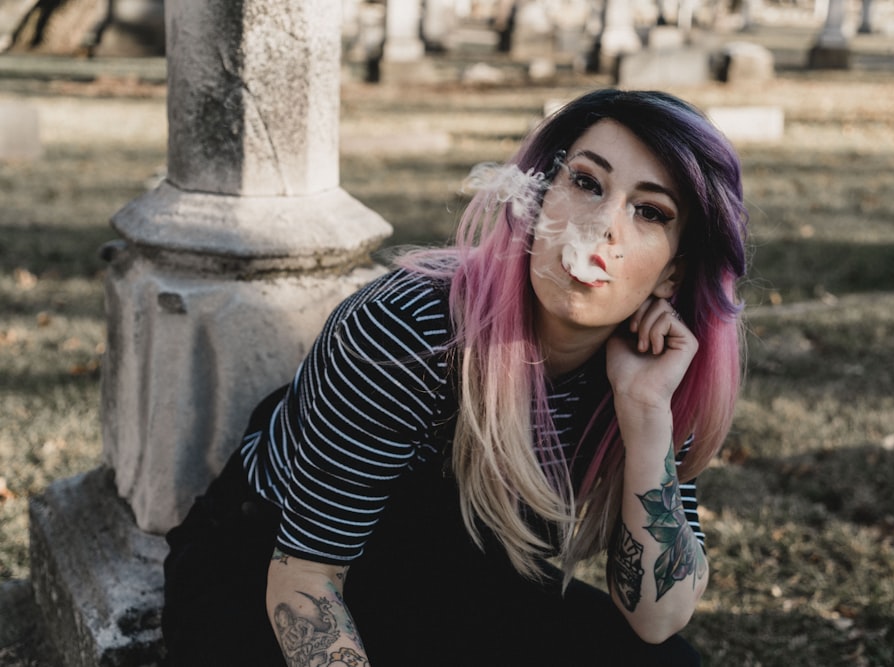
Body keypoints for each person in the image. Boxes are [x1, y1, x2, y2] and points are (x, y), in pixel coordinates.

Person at [162, 88, 749, 667]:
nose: (602, 225)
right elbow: (304, 580)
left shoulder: (653, 370)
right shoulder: (408, 329)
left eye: (650, 212)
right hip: (270, 574)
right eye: (586, 182)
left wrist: (645, 411)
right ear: (538, 197)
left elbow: (658, 618)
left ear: (672, 273)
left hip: (450, 577)